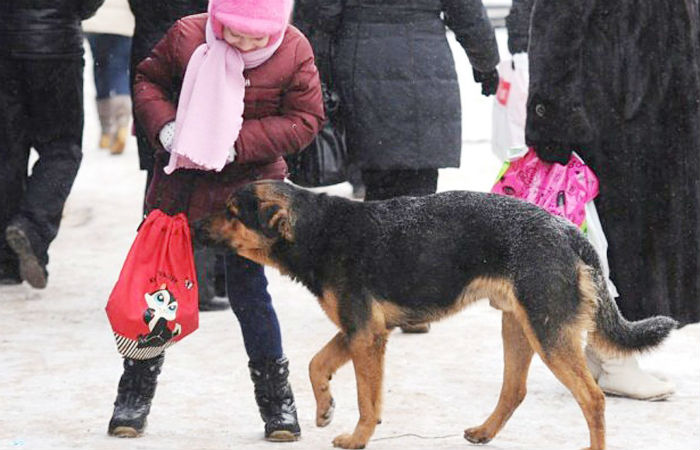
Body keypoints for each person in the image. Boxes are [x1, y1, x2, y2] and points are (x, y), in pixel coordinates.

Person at [107, 0, 324, 441]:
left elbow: (305, 119)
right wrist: (165, 127)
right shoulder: (188, 34)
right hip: (179, 187)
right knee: (158, 295)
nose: (244, 44)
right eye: (233, 33)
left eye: (256, 37)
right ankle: (133, 394)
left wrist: (236, 143)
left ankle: (276, 402)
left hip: (249, 194)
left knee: (251, 295)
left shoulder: (294, 48)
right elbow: (149, 81)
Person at [526, 0, 700, 399]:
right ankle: (615, 351)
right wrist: (548, 115)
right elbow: (557, 24)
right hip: (610, 115)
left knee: (639, 234)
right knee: (615, 238)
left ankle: (603, 349)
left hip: (657, 114)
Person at [302, 0, 499, 332]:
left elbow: (323, 14)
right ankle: (415, 301)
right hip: (425, 58)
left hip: (363, 57)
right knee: (422, 192)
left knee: (379, 189)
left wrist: (316, 68)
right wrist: (486, 61)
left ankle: (376, 296)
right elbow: (466, 11)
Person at [128, 0, 227, 311]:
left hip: (153, 47)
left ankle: (156, 275)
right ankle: (200, 280)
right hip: (203, 48)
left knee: (162, 171)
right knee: (207, 168)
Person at [0, 0, 104, 289]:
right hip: (56, 45)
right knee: (62, 149)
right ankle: (31, 227)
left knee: (7, 152)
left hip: (4, 41)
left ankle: (6, 262)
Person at [83, 0, 134, 154]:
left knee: (100, 70)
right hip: (124, 22)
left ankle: (106, 129)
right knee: (119, 70)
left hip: (96, 20)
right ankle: (122, 123)